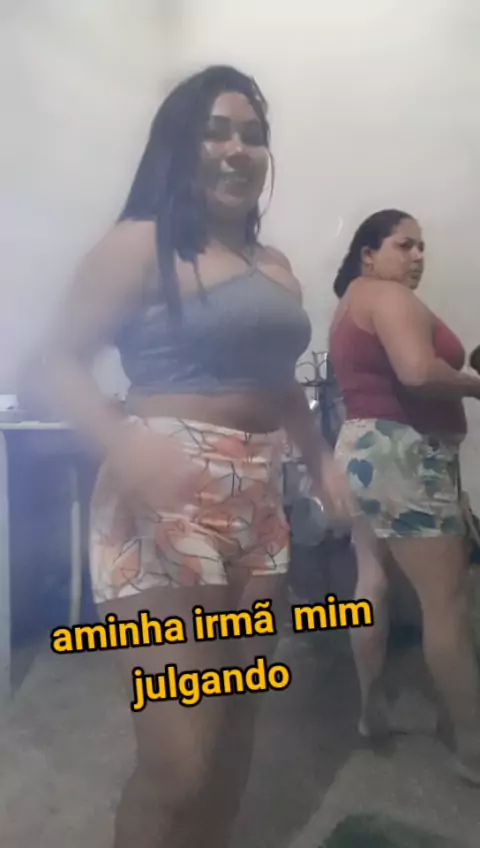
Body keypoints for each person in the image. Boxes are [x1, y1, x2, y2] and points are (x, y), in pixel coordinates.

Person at [23, 65, 351, 847]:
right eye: (216, 131)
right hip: (163, 500)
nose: (238, 150)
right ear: (180, 146)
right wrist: (123, 443)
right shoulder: (141, 244)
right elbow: (49, 366)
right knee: (180, 764)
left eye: (254, 135)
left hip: (260, 497)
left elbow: (277, 382)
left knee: (237, 724)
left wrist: (321, 462)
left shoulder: (275, 267)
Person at [328, 208, 480, 784]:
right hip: (407, 454)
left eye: (421, 247)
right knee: (447, 603)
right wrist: (476, 387)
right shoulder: (388, 296)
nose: (417, 256)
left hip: (363, 452)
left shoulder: (353, 300)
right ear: (369, 254)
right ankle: (473, 748)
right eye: (404, 245)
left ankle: (371, 712)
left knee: (372, 582)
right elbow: (418, 372)